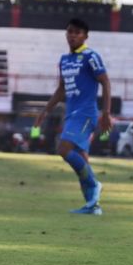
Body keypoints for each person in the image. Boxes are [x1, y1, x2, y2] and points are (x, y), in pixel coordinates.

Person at [34, 18, 111, 215]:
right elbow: (61, 90)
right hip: (71, 114)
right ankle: (92, 205)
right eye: (70, 32)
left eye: (77, 32)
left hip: (85, 114)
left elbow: (106, 82)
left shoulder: (90, 56)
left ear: (85, 36)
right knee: (82, 158)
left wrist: (106, 113)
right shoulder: (64, 60)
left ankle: (94, 185)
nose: (73, 35)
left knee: (63, 148)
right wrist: (45, 111)